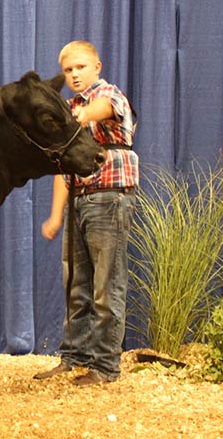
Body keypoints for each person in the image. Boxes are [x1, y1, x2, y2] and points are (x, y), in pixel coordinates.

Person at [33, 40, 139, 386]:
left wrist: (81, 115)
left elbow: (106, 108)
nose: (74, 74)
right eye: (68, 70)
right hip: (80, 198)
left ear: (97, 66)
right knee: (75, 285)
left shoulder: (107, 95)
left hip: (109, 199)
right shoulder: (68, 107)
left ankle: (105, 366)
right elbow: (64, 171)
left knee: (106, 286)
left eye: (80, 67)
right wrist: (55, 216)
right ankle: (74, 357)